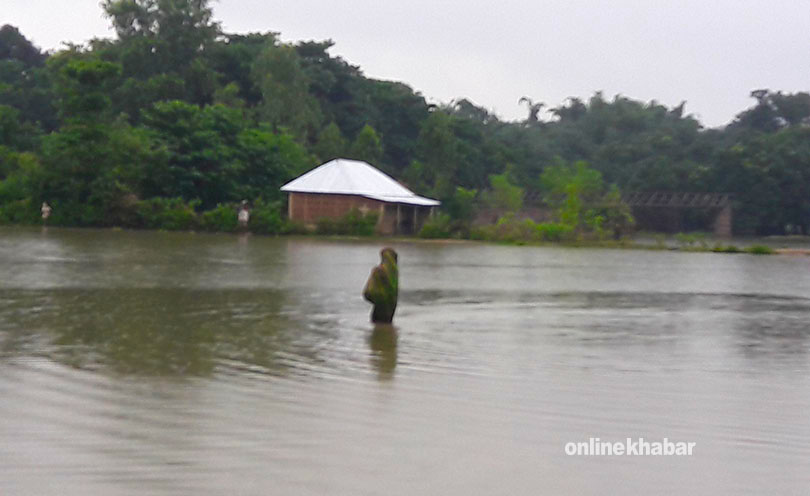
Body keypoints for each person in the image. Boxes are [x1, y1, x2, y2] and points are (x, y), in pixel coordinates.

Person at [363, 248, 399, 323]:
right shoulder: (394, 272)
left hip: (380, 305)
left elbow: (369, 291)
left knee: (378, 326)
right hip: (391, 307)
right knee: (387, 325)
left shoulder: (378, 271)